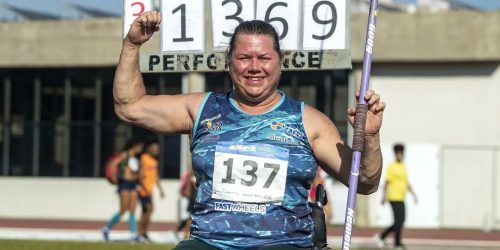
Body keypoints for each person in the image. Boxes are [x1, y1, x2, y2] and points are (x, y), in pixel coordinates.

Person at [114, 11, 386, 249]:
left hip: (283, 244)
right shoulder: (202, 109)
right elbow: (129, 106)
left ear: (280, 62)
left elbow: (364, 182)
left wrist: (370, 137)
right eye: (244, 57)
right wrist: (132, 44)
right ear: (229, 61)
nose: (254, 67)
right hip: (209, 243)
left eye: (264, 58)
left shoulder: (309, 121)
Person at [374, 144, 418, 249]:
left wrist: (414, 195)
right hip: (393, 197)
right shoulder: (391, 166)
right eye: (398, 154)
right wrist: (383, 196)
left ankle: (381, 236)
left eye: (401, 154)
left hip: (401, 197)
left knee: (401, 221)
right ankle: (397, 243)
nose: (399, 156)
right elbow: (387, 182)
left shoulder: (403, 166)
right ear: (395, 154)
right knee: (398, 222)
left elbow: (407, 183)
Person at [102, 138, 144, 242]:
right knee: (123, 210)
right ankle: (106, 228)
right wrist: (114, 178)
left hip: (133, 184)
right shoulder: (125, 155)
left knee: (133, 210)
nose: (141, 149)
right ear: (134, 146)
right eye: (140, 147)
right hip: (124, 184)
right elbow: (114, 164)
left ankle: (133, 234)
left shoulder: (136, 158)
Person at [137, 139, 165, 241]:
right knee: (148, 210)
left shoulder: (154, 161)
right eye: (154, 148)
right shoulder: (144, 158)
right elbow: (140, 176)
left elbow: (155, 177)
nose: (156, 150)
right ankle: (140, 233)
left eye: (157, 148)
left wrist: (161, 190)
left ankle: (143, 232)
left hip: (149, 191)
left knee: (148, 211)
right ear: (149, 148)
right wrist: (144, 188)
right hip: (143, 190)